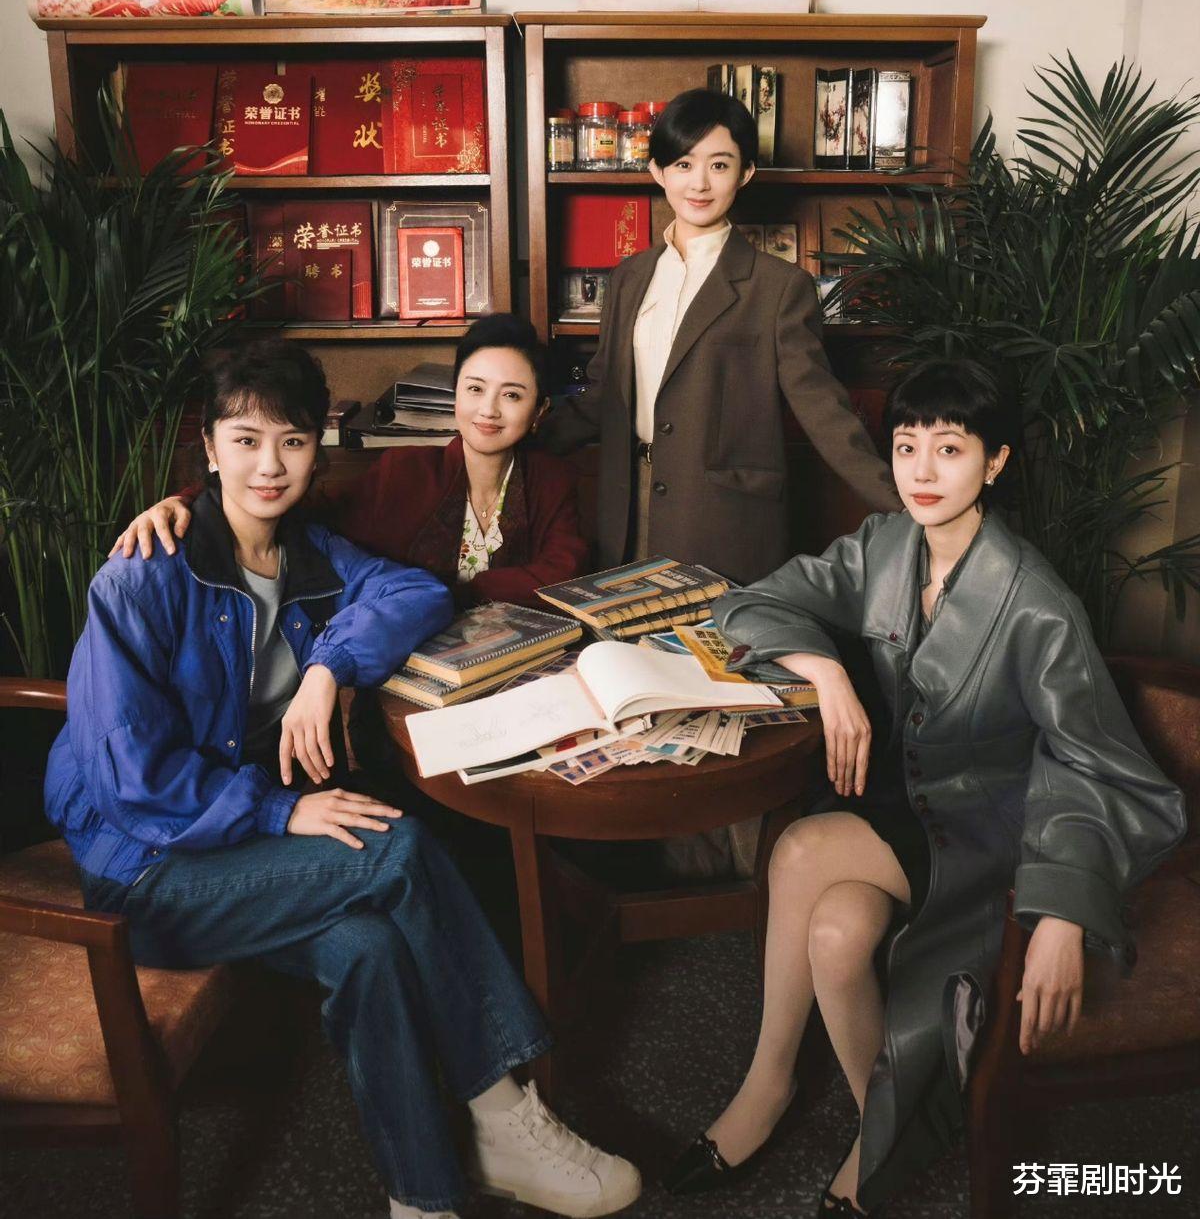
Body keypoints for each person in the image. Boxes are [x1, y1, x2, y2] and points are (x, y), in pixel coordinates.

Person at [46, 339, 640, 1219]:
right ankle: (504, 1111)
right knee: (395, 847)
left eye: (291, 442)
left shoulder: (310, 555)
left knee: (370, 946)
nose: (268, 465)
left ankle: (424, 1196)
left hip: (239, 850)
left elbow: (416, 593)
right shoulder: (141, 575)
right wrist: (279, 810)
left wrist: (327, 667)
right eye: (245, 440)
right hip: (148, 869)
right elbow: (130, 781)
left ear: (316, 450)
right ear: (208, 447)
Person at [661, 357, 1185, 1217]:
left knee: (800, 848)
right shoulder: (883, 546)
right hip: (904, 809)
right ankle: (888, 1127)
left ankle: (767, 1084)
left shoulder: (1038, 603)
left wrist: (1062, 908)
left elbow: (1096, 761)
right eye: (907, 446)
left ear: (996, 462)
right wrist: (827, 671)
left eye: (950, 447)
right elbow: (748, 603)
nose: (923, 470)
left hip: (989, 834)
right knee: (835, 933)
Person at [538, 87, 900, 587]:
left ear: (745, 173)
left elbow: (822, 408)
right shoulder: (628, 278)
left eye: (720, 165)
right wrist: (512, 442)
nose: (700, 183)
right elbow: (603, 394)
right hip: (625, 507)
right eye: (683, 164)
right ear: (657, 171)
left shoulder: (779, 287)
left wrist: (905, 504)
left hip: (723, 520)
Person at [112, 312, 587, 609]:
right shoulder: (404, 473)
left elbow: (561, 575)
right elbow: (293, 507)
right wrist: (186, 500)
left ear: (540, 410)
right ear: (455, 392)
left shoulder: (551, 479)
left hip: (518, 663)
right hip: (406, 664)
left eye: (512, 395)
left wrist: (443, 591)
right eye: (475, 388)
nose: (488, 410)